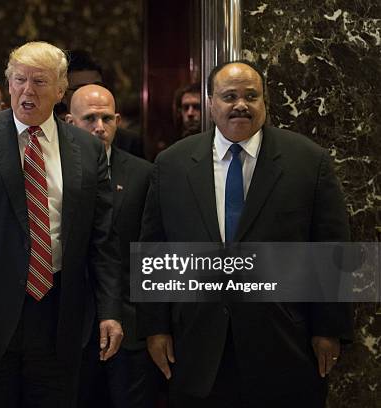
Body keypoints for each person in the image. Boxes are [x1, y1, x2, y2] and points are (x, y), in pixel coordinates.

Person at [138, 61, 352, 407]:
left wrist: (329, 329)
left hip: (284, 345)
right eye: (229, 96)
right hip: (195, 345)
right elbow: (155, 249)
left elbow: (332, 248)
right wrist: (155, 327)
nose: (241, 104)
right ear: (211, 103)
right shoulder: (172, 164)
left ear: (265, 102)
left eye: (251, 96)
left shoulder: (308, 162)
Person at [0, 41, 124, 408]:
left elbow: (104, 239)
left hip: (60, 318)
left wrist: (110, 311)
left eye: (39, 81)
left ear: (61, 90)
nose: (27, 91)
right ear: (8, 83)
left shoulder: (87, 148)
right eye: (19, 80)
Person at [66, 85, 159, 408]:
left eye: (107, 118)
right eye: (90, 118)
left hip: (130, 324)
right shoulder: (51, 174)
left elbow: (153, 250)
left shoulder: (144, 173)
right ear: (69, 122)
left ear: (119, 120)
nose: (100, 127)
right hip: (70, 327)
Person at [56, 50, 144, 158]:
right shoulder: (52, 139)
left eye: (97, 86)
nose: (91, 93)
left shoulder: (128, 143)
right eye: (80, 88)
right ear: (63, 95)